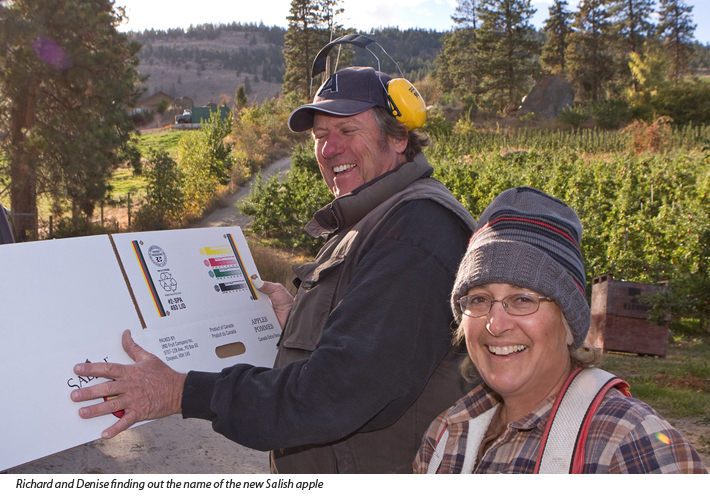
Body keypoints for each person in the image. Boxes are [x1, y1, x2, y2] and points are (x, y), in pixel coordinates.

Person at [71, 66, 478, 473]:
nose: (329, 149)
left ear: (398, 136)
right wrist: (301, 323)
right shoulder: (377, 216)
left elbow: (334, 394)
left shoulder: (414, 229)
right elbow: (371, 346)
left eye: (348, 131)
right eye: (320, 136)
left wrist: (180, 391)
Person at [414, 186, 708, 474]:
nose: (496, 324)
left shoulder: (627, 445)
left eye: (523, 299)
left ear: (568, 323)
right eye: (479, 299)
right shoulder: (447, 435)